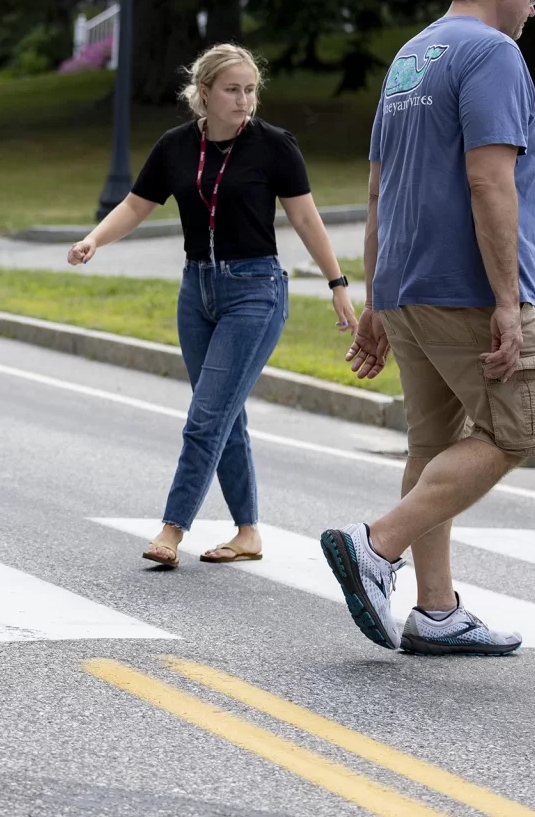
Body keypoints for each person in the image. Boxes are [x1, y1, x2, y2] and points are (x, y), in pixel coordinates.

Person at [324, 0, 535, 658]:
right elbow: (488, 177)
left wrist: (375, 295)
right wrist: (504, 298)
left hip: (405, 282)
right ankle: (376, 546)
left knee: (431, 443)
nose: (530, 8)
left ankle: (434, 610)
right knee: (521, 428)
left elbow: (376, 187)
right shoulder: (492, 52)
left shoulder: (411, 55)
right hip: (465, 284)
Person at [67, 44, 355, 568]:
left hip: (255, 292)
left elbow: (307, 219)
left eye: (250, 90)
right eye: (232, 90)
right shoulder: (176, 146)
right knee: (225, 414)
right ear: (204, 94)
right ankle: (248, 533)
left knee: (205, 417)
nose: (245, 100)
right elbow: (136, 205)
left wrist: (337, 283)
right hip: (195, 292)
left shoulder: (275, 147)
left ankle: (172, 530)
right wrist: (94, 240)